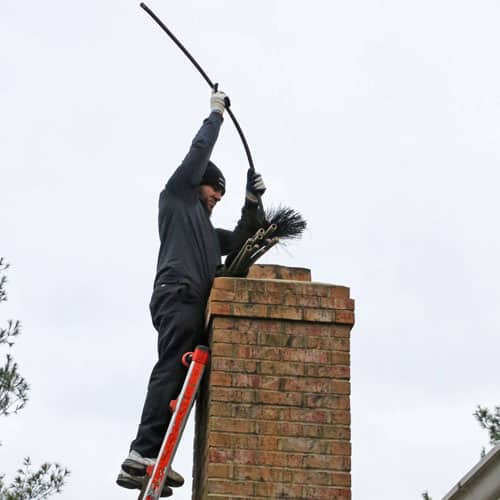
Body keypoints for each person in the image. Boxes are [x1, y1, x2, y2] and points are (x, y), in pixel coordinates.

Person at [117, 90, 266, 496]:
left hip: (187, 299)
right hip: (178, 293)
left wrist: (252, 203)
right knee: (171, 366)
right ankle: (141, 452)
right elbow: (198, 152)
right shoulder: (179, 197)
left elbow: (240, 241)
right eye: (215, 190)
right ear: (199, 184)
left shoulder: (204, 227)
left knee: (178, 371)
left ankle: (148, 459)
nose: (218, 197)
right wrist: (215, 115)